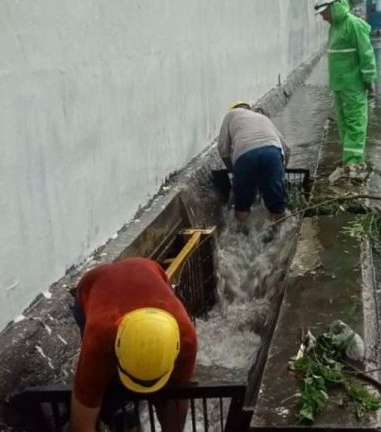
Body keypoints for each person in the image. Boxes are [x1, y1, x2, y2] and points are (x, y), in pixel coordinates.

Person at [70, 257, 198, 432]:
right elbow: (81, 424)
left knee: (167, 396)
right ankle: (122, 415)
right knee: (113, 401)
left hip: (149, 271)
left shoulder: (185, 337)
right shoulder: (99, 340)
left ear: (175, 349)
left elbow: (178, 397)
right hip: (94, 284)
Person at [315, 0, 377, 181]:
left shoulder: (354, 25)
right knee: (344, 124)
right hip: (340, 87)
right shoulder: (335, 27)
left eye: (324, 13)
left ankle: (354, 163)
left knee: (355, 123)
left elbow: (366, 54)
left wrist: (369, 80)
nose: (323, 17)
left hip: (354, 86)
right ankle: (349, 160)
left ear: (334, 8)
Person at [217, 102, 290, 224]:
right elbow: (287, 149)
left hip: (245, 155)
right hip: (272, 153)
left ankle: (243, 232)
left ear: (233, 109)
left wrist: (233, 170)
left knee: (242, 205)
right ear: (249, 109)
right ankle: (279, 233)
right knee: (277, 206)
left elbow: (223, 151)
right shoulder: (262, 118)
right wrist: (281, 171)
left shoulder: (230, 115)